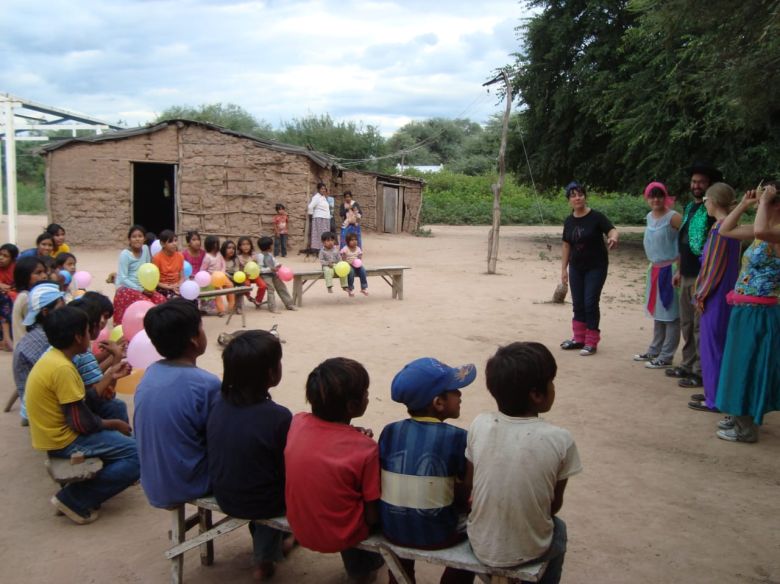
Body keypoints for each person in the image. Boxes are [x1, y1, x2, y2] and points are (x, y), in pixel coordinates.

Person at [467, 342, 582, 584]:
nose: (553, 387)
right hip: (527, 550)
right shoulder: (560, 439)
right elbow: (552, 506)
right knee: (558, 529)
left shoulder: (480, 423)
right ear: (537, 395)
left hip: (480, 542)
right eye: (551, 382)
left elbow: (472, 486)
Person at [25, 305, 139, 525]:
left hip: (55, 432)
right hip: (63, 439)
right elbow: (81, 422)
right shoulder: (62, 369)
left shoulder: (57, 358)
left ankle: (93, 482)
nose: (91, 336)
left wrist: (110, 375)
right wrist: (114, 425)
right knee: (137, 457)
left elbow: (84, 399)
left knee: (115, 411)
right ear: (78, 337)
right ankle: (74, 499)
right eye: (88, 331)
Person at [285, 358, 384, 584]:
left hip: (299, 525)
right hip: (342, 535)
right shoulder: (367, 449)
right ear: (351, 406)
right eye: (365, 392)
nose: (368, 396)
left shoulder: (298, 422)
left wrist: (349, 433)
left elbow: (325, 444)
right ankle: (362, 572)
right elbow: (371, 514)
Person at [380, 358, 477, 584]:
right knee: (478, 532)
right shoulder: (458, 437)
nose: (460, 395)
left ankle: (400, 579)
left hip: (392, 529)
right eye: (454, 391)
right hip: (440, 535)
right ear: (438, 403)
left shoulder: (390, 431)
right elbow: (464, 494)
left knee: (406, 508)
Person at [207, 330, 292, 581]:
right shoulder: (278, 416)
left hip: (224, 494)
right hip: (261, 501)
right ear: (270, 373)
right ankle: (264, 560)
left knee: (258, 477)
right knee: (277, 486)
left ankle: (275, 547)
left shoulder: (218, 404)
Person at [133, 299, 221, 508]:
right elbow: (221, 438)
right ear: (194, 340)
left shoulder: (150, 373)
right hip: (189, 484)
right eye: (201, 328)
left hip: (154, 482)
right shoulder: (206, 385)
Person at [713, 181, 780, 443]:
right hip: (745, 310)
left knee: (747, 366)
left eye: (770, 200)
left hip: (760, 313)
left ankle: (746, 427)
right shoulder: (761, 230)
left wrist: (764, 202)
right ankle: (738, 414)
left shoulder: (772, 233)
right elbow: (725, 230)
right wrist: (744, 204)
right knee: (737, 364)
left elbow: (762, 230)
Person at [665, 162, 721, 388]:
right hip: (686, 272)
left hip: (702, 275)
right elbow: (683, 241)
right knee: (687, 323)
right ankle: (687, 363)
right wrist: (678, 269)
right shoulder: (689, 208)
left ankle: (700, 370)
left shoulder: (712, 213)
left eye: (701, 182)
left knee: (699, 325)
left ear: (709, 186)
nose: (696, 185)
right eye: (694, 182)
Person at [688, 183, 741, 413]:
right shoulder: (729, 228)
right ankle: (713, 392)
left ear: (714, 201)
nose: (705, 204)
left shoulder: (722, 230)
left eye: (707, 200)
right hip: (723, 293)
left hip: (716, 296)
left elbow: (713, 268)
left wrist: (700, 294)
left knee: (713, 348)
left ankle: (716, 398)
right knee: (715, 346)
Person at [559, 181, 618, 355]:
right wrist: (564, 269)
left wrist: (613, 238)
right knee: (578, 303)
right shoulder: (569, 221)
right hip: (576, 267)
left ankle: (591, 341)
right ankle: (578, 338)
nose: (577, 198)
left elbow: (612, 230)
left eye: (580, 194)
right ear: (569, 200)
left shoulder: (596, 217)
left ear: (585, 197)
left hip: (596, 266)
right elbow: (566, 246)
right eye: (573, 195)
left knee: (590, 302)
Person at [633, 182, 682, 368]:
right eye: (652, 196)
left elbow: (686, 243)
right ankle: (654, 350)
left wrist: (681, 269)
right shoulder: (649, 217)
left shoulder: (674, 218)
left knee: (670, 314)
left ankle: (666, 355)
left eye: (659, 195)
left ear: (665, 197)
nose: (655, 199)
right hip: (655, 269)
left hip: (670, 270)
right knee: (659, 312)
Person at [12, 282, 66, 426]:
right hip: (42, 412)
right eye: (61, 308)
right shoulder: (48, 339)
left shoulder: (38, 334)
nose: (66, 311)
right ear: (46, 312)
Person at [113, 224, 165, 325]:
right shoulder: (125, 254)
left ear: (144, 239)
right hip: (126, 288)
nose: (137, 239)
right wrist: (141, 290)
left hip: (143, 286)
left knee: (161, 300)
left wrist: (149, 288)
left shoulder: (145, 249)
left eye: (140, 236)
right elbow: (123, 278)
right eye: (134, 237)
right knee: (147, 304)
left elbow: (147, 270)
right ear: (129, 239)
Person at [11, 255, 49, 346]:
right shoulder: (26, 297)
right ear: (25, 276)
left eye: (44, 272)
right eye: (38, 273)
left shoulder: (33, 295)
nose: (44, 276)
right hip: (29, 349)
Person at [257, 236, 296, 312]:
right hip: (265, 276)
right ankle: (272, 307)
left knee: (282, 287)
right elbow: (260, 270)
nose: (272, 246)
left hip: (274, 274)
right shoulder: (260, 256)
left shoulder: (270, 255)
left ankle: (289, 304)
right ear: (267, 246)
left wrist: (278, 265)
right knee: (270, 289)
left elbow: (275, 262)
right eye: (271, 245)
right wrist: (270, 269)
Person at [152, 229, 185, 298]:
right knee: (175, 299)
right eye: (170, 241)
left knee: (192, 299)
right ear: (162, 244)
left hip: (177, 286)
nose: (174, 243)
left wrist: (179, 285)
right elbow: (155, 281)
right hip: (163, 288)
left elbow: (182, 277)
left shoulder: (180, 256)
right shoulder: (157, 258)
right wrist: (170, 287)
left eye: (175, 240)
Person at [201, 234, 227, 316]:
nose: (215, 245)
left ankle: (222, 309)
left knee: (219, 292)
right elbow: (203, 269)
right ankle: (215, 310)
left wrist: (222, 273)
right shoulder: (207, 257)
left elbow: (223, 264)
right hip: (210, 278)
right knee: (213, 294)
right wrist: (208, 277)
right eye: (213, 243)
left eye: (217, 243)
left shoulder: (219, 254)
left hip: (220, 277)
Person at [237, 236, 267, 307]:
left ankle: (258, 301)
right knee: (246, 286)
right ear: (240, 246)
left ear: (251, 245)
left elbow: (257, 266)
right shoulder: (238, 257)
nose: (246, 246)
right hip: (245, 276)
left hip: (255, 275)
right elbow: (238, 269)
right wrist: (243, 273)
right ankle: (249, 297)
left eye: (248, 244)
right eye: (243, 244)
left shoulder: (254, 255)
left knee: (263, 286)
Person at [0, 243, 19, 351]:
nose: (1, 258)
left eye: (5, 256)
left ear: (12, 259)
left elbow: (18, 286)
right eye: (0, 254)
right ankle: (6, 339)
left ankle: (6, 338)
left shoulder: (16, 269)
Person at [341, 233, 368, 297]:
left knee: (363, 271)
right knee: (351, 272)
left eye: (356, 240)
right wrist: (344, 256)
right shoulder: (345, 248)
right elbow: (343, 260)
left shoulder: (358, 248)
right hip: (348, 264)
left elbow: (359, 257)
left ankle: (363, 287)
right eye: (352, 240)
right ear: (348, 242)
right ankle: (350, 288)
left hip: (357, 265)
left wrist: (359, 258)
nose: (354, 241)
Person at [307, 182, 331, 252]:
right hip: (319, 219)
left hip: (325, 218)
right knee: (320, 235)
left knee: (325, 234)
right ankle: (319, 250)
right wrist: (311, 216)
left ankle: (324, 249)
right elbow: (310, 206)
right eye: (322, 189)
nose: (323, 190)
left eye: (324, 189)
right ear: (318, 189)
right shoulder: (316, 197)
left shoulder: (323, 197)